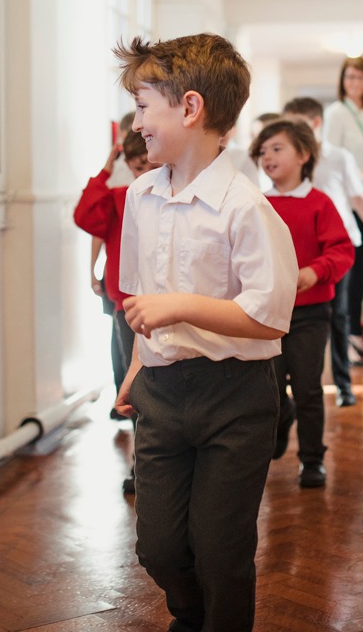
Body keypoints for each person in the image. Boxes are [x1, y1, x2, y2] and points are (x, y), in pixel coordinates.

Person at [114, 34, 298, 632]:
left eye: (144, 106)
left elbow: (268, 316)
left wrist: (181, 307)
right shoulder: (140, 196)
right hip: (162, 393)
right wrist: (136, 371)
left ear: (190, 108)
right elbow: (142, 302)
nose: (137, 121)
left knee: (221, 551)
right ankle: (190, 615)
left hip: (235, 396)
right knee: (159, 548)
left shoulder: (246, 207)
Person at [251, 118, 353, 486]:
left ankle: (312, 460)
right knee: (271, 390)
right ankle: (281, 422)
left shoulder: (319, 203)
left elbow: (342, 250)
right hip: (266, 316)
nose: (267, 156)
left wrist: (315, 271)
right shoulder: (256, 203)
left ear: (303, 155)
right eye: (262, 151)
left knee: (309, 387)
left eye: (276, 148)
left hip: (310, 314)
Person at [73, 130, 153, 492]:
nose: (143, 173)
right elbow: (87, 217)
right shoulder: (121, 195)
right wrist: (104, 172)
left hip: (164, 299)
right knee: (134, 384)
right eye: (136, 167)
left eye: (147, 166)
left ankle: (155, 464)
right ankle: (141, 467)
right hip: (127, 300)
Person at [283, 96, 363, 406]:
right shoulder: (290, 159)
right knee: (306, 317)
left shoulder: (339, 157)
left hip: (341, 245)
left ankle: (343, 386)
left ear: (315, 124)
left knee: (340, 316)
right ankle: (301, 387)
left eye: (297, 125)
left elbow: (356, 198)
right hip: (304, 251)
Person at [324, 55, 363, 364]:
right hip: (352, 201)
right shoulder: (337, 113)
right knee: (356, 270)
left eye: (359, 77)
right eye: (349, 77)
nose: (354, 83)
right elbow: (332, 162)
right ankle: (352, 338)